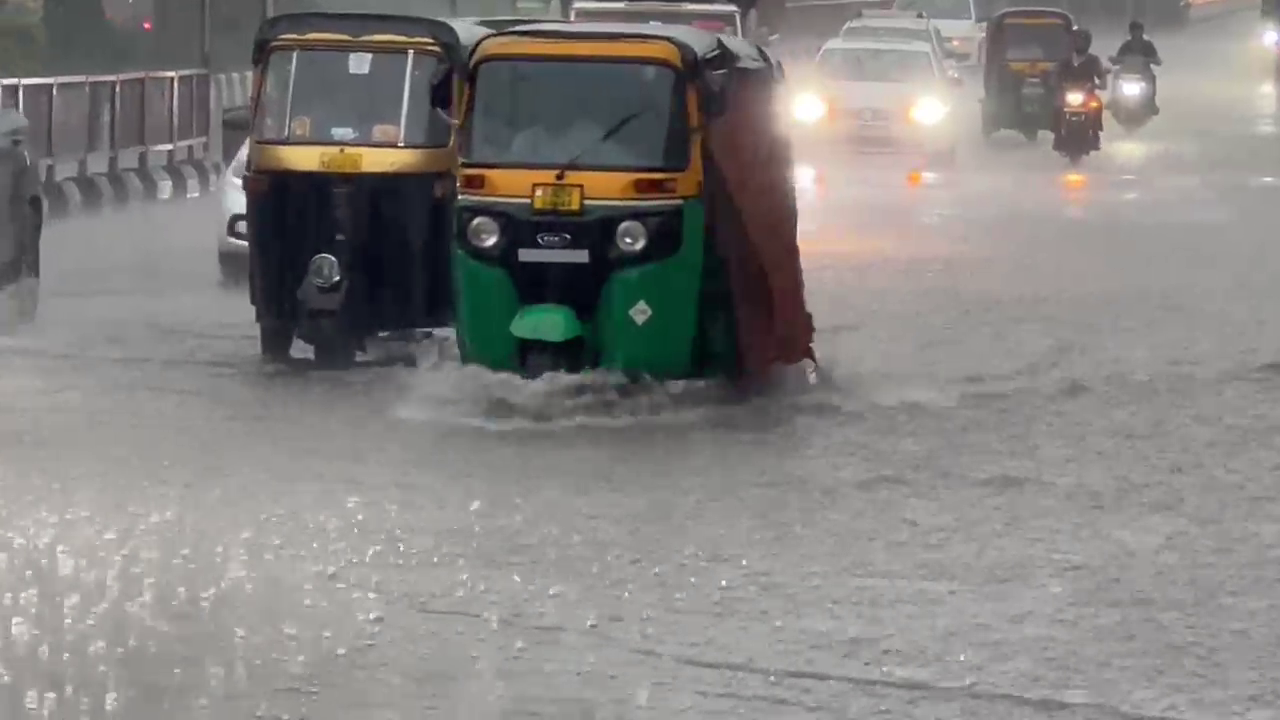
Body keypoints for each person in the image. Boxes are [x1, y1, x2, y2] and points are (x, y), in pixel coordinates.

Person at [1052, 27, 1108, 151]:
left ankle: (1095, 133)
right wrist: (1056, 83)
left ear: (1088, 43)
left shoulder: (1093, 60)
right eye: (1077, 41)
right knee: (1056, 106)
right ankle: (1057, 135)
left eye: (1082, 41)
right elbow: (1056, 74)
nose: (1079, 43)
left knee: (1097, 105)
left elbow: (1101, 75)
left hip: (1087, 94)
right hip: (1067, 93)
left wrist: (1100, 84)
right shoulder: (1065, 60)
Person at [1112, 19, 1161, 114]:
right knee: (1116, 74)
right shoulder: (1126, 44)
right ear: (1130, 32)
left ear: (1141, 31)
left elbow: (1155, 57)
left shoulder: (1148, 44)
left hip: (1143, 72)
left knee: (1152, 77)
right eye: (1133, 30)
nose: (1135, 33)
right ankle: (1114, 99)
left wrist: (1154, 60)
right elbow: (1119, 56)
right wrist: (1115, 60)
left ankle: (1152, 102)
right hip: (1126, 71)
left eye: (1138, 30)